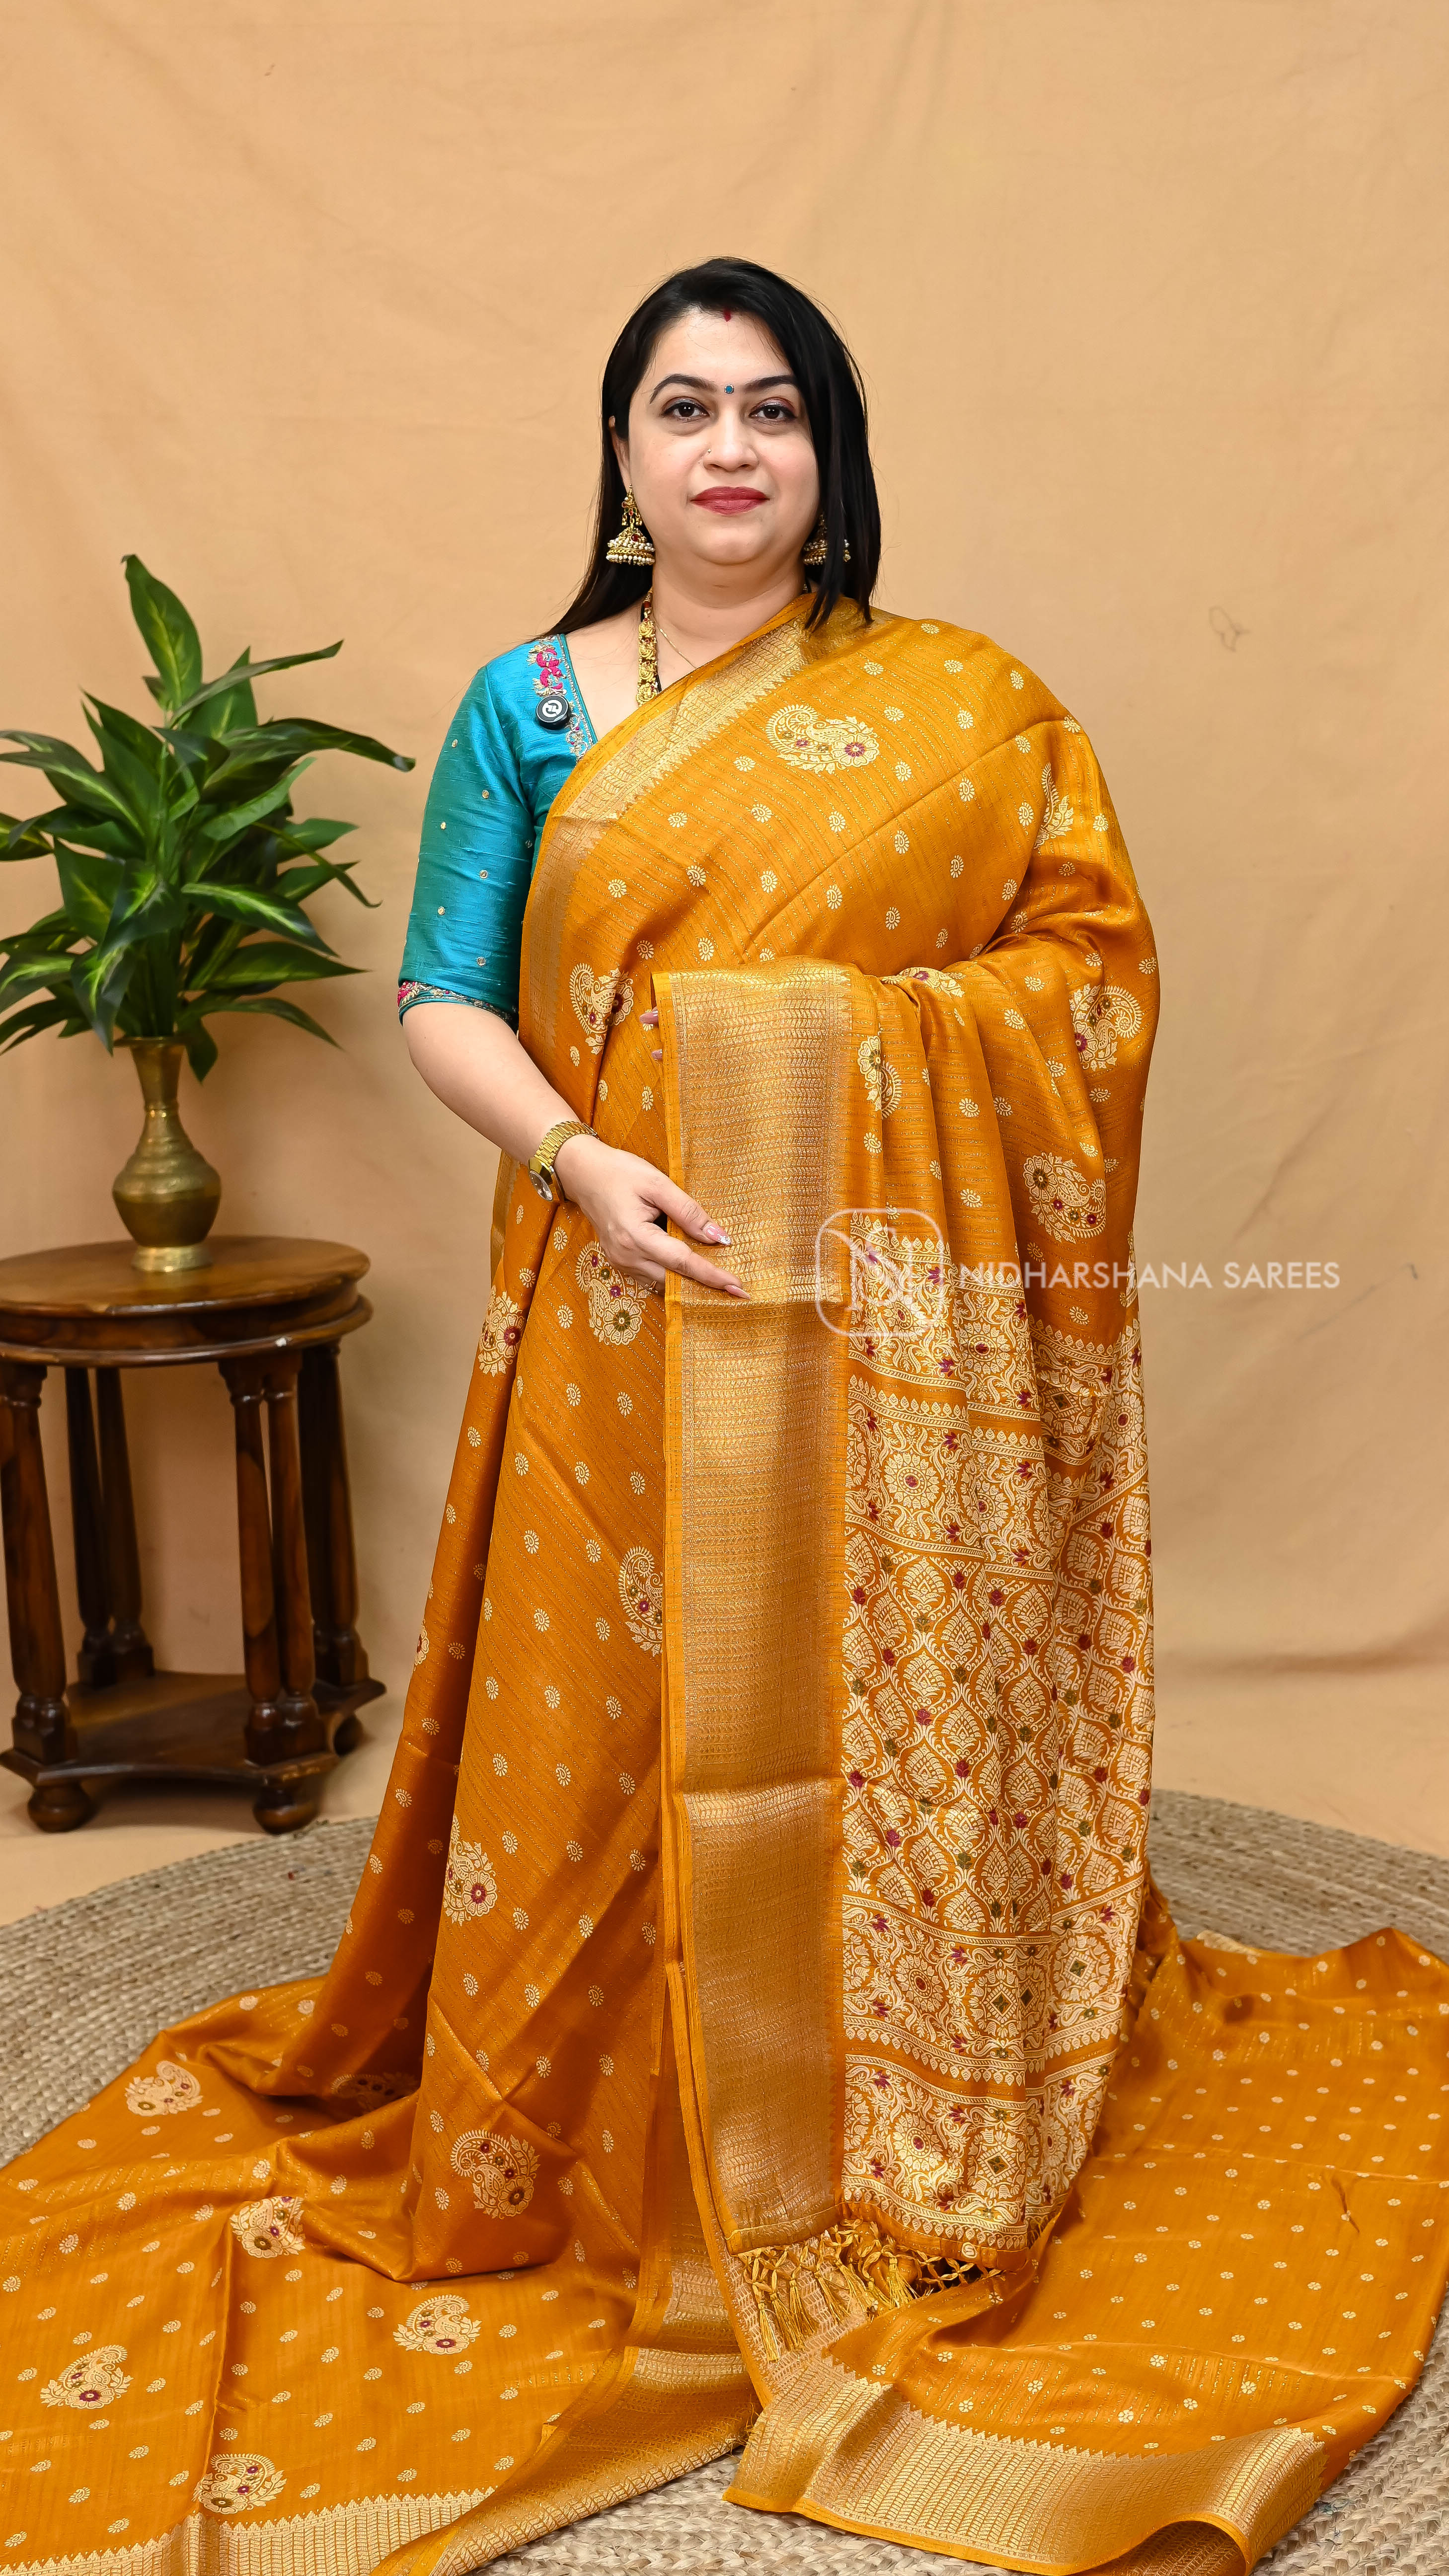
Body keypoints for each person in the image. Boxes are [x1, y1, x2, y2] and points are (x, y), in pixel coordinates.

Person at [3, 257, 1446, 2576]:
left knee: (868, 1705)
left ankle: (869, 2122)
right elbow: (446, 995)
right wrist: (583, 1157)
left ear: (829, 452)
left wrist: (827, 1061)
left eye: (773, 409)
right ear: (620, 451)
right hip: (617, 1292)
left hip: (883, 1325)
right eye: (682, 409)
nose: (728, 450)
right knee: (602, 1733)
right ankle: (597, 2124)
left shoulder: (966, 708)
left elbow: (1084, 981)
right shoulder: (531, 703)